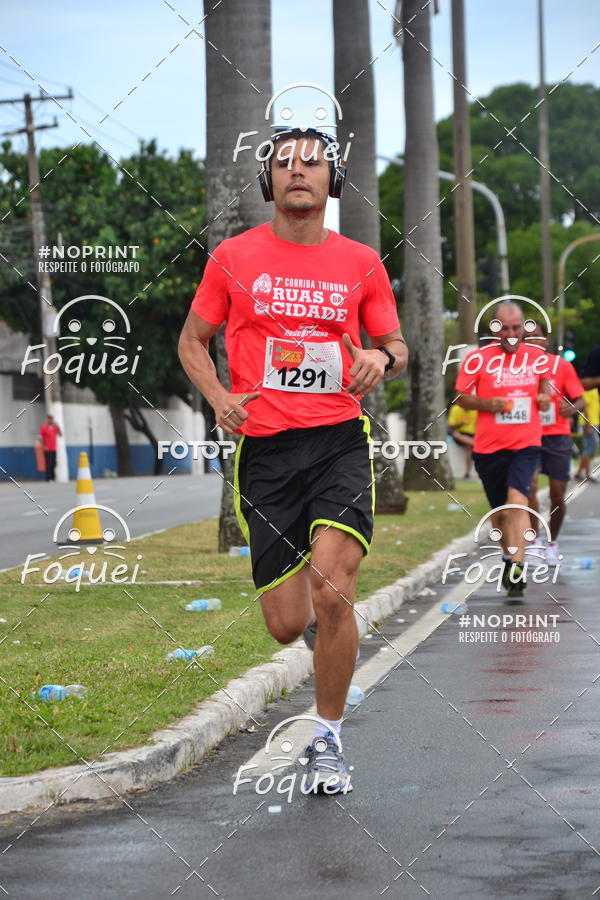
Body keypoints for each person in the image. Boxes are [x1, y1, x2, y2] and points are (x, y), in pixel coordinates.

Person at [178, 127, 407, 792]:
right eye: (284, 163)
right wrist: (220, 396)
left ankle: (327, 740)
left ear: (332, 181)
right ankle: (324, 633)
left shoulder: (361, 261)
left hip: (338, 440)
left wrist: (379, 357)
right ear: (268, 181)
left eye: (312, 162)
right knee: (285, 624)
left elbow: (397, 347)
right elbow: (193, 341)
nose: (298, 171)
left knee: (333, 590)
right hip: (267, 451)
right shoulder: (233, 256)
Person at [454, 302, 550, 599]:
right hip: (489, 447)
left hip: (526, 443)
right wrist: (487, 404)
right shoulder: (478, 359)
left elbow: (544, 388)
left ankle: (517, 567)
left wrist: (544, 399)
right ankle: (509, 557)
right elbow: (461, 397)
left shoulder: (537, 357)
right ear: (495, 329)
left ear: (523, 328)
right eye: (505, 328)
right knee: (500, 512)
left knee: (517, 502)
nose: (511, 334)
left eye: (516, 328)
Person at [526, 324, 585, 565]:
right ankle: (534, 542)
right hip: (528, 435)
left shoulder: (561, 366)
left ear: (546, 340)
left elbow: (580, 400)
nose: (532, 341)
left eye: (536, 337)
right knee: (529, 488)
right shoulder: (517, 369)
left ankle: (552, 543)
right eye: (526, 338)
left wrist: (571, 409)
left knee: (557, 494)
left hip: (557, 436)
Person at [574, 388, 600, 483]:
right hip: (589, 424)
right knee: (590, 449)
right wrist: (588, 425)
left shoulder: (595, 389)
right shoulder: (589, 389)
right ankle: (578, 473)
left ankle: (587, 474)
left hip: (593, 423)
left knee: (589, 449)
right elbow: (584, 406)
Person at [447, 403, 477, 478]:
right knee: (457, 435)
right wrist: (461, 424)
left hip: (472, 435)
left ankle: (467, 473)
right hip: (459, 434)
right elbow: (451, 427)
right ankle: (476, 444)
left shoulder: (475, 410)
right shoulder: (455, 409)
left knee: (468, 447)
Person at [38, 414, 62, 482]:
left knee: (54, 463)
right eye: (49, 419)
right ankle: (48, 478)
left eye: (52, 419)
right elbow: (40, 438)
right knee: (48, 463)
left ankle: (53, 477)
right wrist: (43, 446)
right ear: (47, 419)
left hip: (54, 448)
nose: (51, 420)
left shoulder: (55, 427)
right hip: (47, 449)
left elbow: (60, 434)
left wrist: (58, 426)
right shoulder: (43, 427)